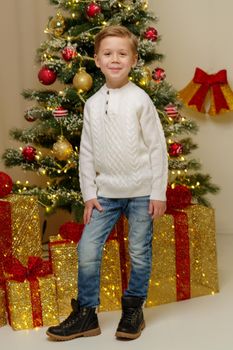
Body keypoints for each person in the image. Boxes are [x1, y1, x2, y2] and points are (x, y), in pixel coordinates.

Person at [46, 25, 168, 341]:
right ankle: (86, 313)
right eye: (108, 54)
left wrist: (158, 192)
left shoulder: (140, 100)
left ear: (134, 59)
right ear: (97, 61)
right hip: (106, 194)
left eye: (122, 54)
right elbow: (86, 152)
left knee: (139, 251)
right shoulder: (91, 105)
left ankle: (133, 308)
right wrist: (89, 195)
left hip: (141, 192)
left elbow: (157, 148)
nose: (115, 59)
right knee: (87, 247)